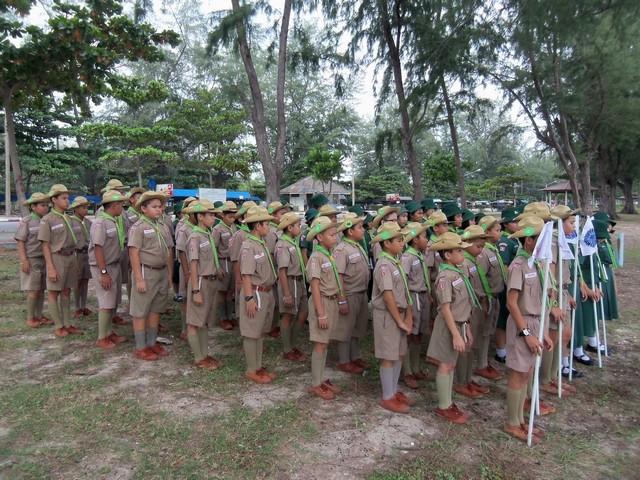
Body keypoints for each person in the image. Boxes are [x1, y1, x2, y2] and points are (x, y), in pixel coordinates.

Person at [504, 215, 553, 444]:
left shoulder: (537, 263)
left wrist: (542, 333)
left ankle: (521, 420)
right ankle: (511, 423)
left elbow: (540, 301)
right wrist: (527, 334)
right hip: (521, 325)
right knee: (518, 373)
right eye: (540, 239)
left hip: (535, 323)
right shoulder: (518, 265)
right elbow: (512, 303)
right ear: (529, 240)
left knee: (527, 372)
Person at [427, 232, 474, 423]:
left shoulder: (457, 272)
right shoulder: (445, 277)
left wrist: (466, 328)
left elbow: (463, 305)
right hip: (448, 326)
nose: (463, 253)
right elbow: (445, 308)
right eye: (459, 251)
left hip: (459, 324)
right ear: (447, 255)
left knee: (451, 364)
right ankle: (443, 406)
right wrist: (456, 335)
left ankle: (447, 402)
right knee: (445, 365)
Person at [371, 222, 415, 413]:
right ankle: (387, 396)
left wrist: (409, 316)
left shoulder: (395, 262)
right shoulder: (383, 265)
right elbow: (388, 296)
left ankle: (394, 391)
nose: (402, 243)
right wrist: (399, 320)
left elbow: (404, 291)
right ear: (387, 243)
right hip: (388, 316)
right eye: (398, 240)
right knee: (388, 355)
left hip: (400, 313)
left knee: (398, 353)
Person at [128, 191, 173, 361]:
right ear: (143, 208)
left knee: (156, 309)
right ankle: (141, 347)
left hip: (161, 272)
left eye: (160, 206)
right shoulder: (138, 227)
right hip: (146, 272)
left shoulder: (162, 226)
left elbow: (169, 251)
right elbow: (133, 253)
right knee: (140, 310)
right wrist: (139, 279)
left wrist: (169, 274)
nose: (159, 209)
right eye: (154, 207)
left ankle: (152, 342)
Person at [238, 206, 279, 384]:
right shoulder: (248, 247)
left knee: (260, 331)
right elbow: (246, 275)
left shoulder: (260, 243)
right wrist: (249, 299)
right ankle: (251, 369)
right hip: (255, 292)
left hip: (265, 292)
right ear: (257, 226)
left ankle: (258, 366)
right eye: (266, 224)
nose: (269, 227)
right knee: (251, 332)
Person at [38, 184, 84, 337]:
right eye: (64, 198)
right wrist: (51, 267)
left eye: (68, 198)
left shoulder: (68, 218)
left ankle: (67, 324)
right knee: (53, 292)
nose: (67, 201)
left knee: (66, 291)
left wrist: (75, 262)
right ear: (54, 200)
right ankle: (58, 326)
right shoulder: (48, 220)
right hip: (56, 258)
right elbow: (45, 245)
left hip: (70, 256)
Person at [306, 216, 343, 399]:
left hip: (331, 301)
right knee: (320, 343)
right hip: (322, 302)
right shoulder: (316, 257)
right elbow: (314, 287)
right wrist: (321, 314)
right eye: (331, 235)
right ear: (319, 237)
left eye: (335, 234)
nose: (335, 237)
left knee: (326, 341)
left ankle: (321, 379)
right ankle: (315, 384)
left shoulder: (328, 254)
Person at [186, 200, 225, 370]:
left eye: (214, 215)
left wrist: (217, 269)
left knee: (203, 320)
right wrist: (196, 290)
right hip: (200, 281)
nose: (213, 218)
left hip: (211, 281)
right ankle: (198, 358)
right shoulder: (195, 237)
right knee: (195, 321)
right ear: (200, 217)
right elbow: (193, 264)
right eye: (210, 215)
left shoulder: (207, 234)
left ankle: (204, 354)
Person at [455, 225, 492, 399]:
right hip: (468, 308)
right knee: (466, 345)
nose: (481, 250)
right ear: (468, 243)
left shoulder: (474, 261)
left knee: (471, 343)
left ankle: (468, 379)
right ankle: (462, 381)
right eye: (478, 246)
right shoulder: (464, 263)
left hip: (476, 306)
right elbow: (465, 290)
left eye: (482, 247)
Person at [333, 212, 370, 374]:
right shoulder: (342, 249)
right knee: (345, 328)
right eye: (360, 227)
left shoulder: (357, 246)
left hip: (361, 293)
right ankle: (344, 360)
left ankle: (354, 357)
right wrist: (342, 299)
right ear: (350, 231)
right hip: (349, 294)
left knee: (357, 327)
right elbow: (338, 275)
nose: (363, 230)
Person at [90, 191, 128, 350]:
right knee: (106, 302)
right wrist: (104, 272)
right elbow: (97, 248)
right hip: (104, 267)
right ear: (115, 205)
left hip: (114, 265)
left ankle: (109, 332)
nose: (122, 208)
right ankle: (101, 337)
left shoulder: (112, 221)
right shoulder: (100, 223)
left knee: (112, 301)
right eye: (121, 205)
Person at [400, 221, 433, 388]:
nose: (427, 240)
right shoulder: (407, 257)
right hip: (413, 298)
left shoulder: (420, 255)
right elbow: (403, 282)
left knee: (419, 333)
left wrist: (428, 294)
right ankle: (407, 372)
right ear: (415, 240)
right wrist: (408, 306)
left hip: (422, 296)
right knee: (409, 334)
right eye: (424, 237)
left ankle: (415, 368)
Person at [474, 216, 505, 380]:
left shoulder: (493, 250)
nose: (500, 233)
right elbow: (480, 278)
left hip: (494, 296)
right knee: (484, 332)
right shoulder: (484, 253)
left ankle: (484, 362)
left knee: (488, 332)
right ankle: (481, 364)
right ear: (486, 232)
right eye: (497, 230)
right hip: (487, 298)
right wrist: (484, 299)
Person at [275, 211, 309, 361]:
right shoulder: (283, 245)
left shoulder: (292, 242)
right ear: (289, 227)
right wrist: (287, 294)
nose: (300, 228)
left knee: (303, 313)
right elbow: (282, 270)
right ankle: (287, 349)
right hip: (290, 281)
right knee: (288, 315)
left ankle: (292, 344)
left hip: (299, 281)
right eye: (298, 225)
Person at [15, 192, 52, 328]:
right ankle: (30, 317)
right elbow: (20, 242)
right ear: (33, 207)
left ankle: (39, 315)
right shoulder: (27, 222)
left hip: (44, 259)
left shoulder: (46, 221)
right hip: (32, 260)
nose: (45, 208)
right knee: (33, 289)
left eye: (47, 205)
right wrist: (24, 260)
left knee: (41, 289)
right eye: (42, 205)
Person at [494, 206, 521, 363]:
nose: (517, 224)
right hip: (507, 285)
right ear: (505, 224)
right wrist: (509, 285)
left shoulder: (514, 239)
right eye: (513, 222)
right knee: (502, 318)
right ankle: (501, 351)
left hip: (514, 284)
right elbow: (504, 267)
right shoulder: (505, 241)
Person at [212, 201, 238, 330]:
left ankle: (229, 316)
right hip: (223, 262)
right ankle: (223, 318)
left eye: (234, 217)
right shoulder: (218, 229)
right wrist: (217, 267)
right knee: (221, 291)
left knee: (230, 290)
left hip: (233, 262)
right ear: (223, 215)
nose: (232, 219)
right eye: (230, 217)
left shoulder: (234, 227)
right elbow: (214, 249)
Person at [70, 196, 93, 318]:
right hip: (77, 254)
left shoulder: (88, 222)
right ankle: (77, 308)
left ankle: (84, 306)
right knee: (77, 281)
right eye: (83, 208)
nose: (86, 210)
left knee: (85, 280)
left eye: (86, 207)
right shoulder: (70, 222)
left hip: (87, 254)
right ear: (75, 209)